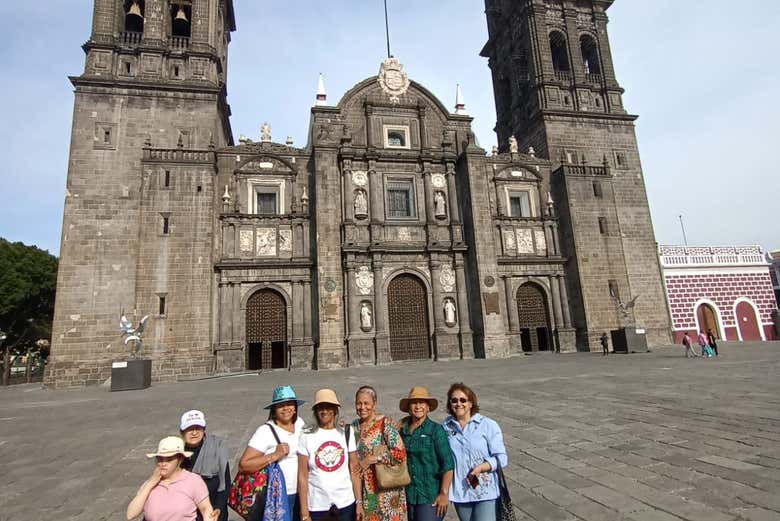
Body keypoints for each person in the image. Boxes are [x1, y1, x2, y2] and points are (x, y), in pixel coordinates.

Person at [240, 385, 307, 521]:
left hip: (302, 492)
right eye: (281, 405)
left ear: (295, 408)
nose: (286, 409)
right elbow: (244, 465)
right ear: (274, 410)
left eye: (289, 404)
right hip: (279, 495)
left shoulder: (300, 423)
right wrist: (274, 455)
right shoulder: (265, 431)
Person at [442, 383, 507, 521]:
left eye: (463, 400)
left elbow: (502, 458)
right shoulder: (445, 427)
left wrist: (482, 467)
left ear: (471, 403)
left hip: (485, 490)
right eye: (454, 400)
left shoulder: (487, 425)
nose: (458, 404)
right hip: (460, 491)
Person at [297, 389, 363, 521]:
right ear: (315, 411)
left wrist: (359, 503)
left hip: (345, 502)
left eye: (328, 407)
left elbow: (354, 471)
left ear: (335, 410)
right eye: (320, 407)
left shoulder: (346, 433)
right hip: (317, 505)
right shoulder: (306, 436)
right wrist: (304, 512)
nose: (324, 411)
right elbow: (302, 476)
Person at [127, 436, 220, 521]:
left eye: (169, 459)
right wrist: (151, 483)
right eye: (160, 459)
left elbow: (206, 509)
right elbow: (130, 515)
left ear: (180, 459)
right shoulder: (151, 484)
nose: (163, 463)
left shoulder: (193, 481)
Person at [352, 385, 408, 521]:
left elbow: (400, 453)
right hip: (365, 493)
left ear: (374, 404)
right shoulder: (354, 427)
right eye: (359, 403)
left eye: (366, 403)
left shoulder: (385, 423)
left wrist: (373, 458)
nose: (362, 407)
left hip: (387, 492)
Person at [398, 386, 454, 521]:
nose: (418, 406)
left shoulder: (435, 430)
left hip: (430, 495)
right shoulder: (402, 431)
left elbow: (448, 464)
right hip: (410, 494)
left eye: (422, 402)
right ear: (409, 407)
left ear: (428, 407)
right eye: (414, 402)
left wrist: (443, 493)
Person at [179, 410, 230, 521]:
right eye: (189, 429)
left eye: (198, 428)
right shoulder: (176, 453)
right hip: (185, 511)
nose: (194, 433)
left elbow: (225, 483)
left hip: (214, 508)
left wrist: (219, 508)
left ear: (204, 429)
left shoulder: (217, 447)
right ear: (182, 432)